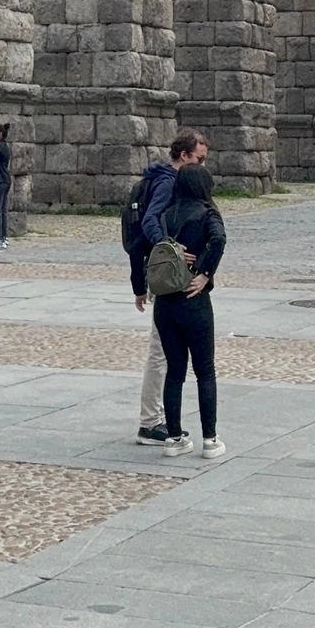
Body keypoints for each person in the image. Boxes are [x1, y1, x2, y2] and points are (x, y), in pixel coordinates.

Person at [128, 128, 208, 444]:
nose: (202, 166)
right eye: (199, 159)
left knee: (163, 348)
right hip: (165, 273)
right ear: (184, 155)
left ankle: (154, 419)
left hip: (163, 272)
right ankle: (150, 422)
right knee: (160, 350)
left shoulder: (169, 179)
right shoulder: (168, 182)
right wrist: (170, 248)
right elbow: (149, 221)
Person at [152, 162, 227, 459]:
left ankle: (174, 437)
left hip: (166, 301)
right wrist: (205, 272)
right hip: (194, 299)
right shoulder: (207, 213)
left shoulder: (166, 215)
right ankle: (210, 439)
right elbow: (219, 239)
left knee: (175, 371)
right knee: (205, 370)